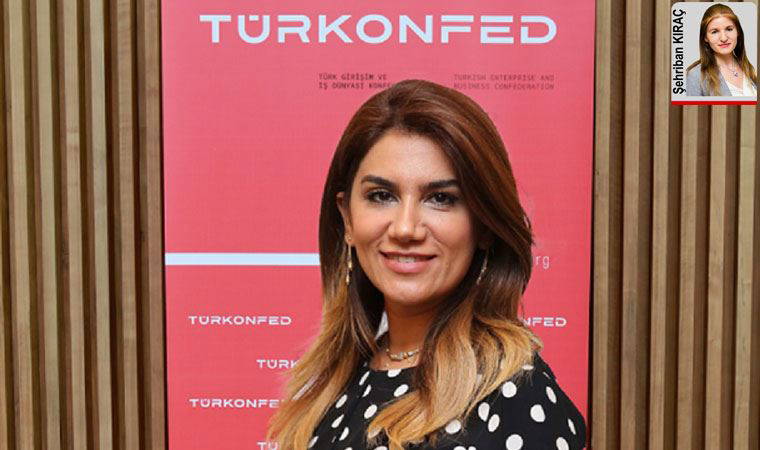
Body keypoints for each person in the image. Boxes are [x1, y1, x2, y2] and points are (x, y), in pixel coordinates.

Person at [267, 80, 586, 450]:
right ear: (347, 219)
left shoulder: (515, 397)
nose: (405, 228)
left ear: (484, 226)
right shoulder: (338, 380)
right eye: (381, 196)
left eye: (441, 198)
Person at [686, 3, 757, 96]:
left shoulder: (748, 68)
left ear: (738, 31)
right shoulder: (696, 76)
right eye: (714, 32)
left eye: (729, 29)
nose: (723, 38)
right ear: (705, 37)